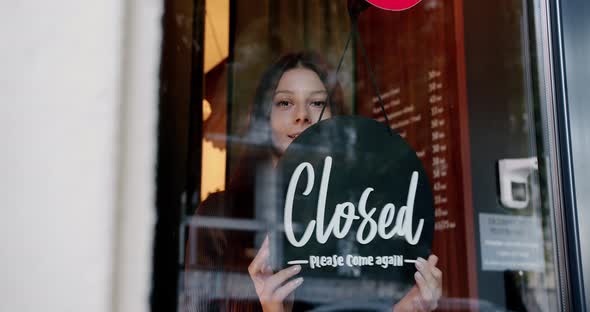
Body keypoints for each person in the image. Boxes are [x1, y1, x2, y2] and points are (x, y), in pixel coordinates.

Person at [187, 51, 442, 312]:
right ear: (263, 118)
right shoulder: (220, 217)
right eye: (284, 103)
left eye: (318, 103)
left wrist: (406, 310)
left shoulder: (364, 219)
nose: (302, 116)